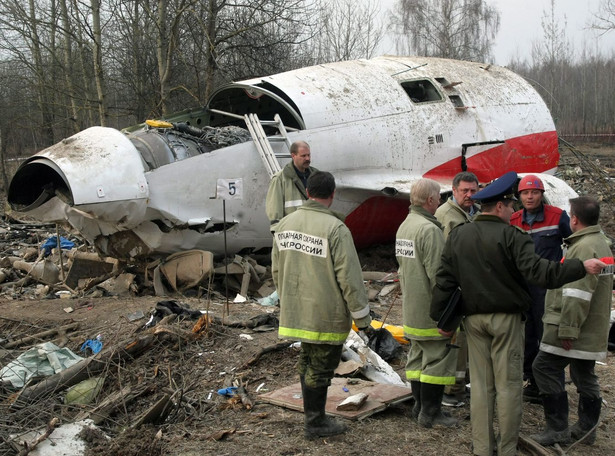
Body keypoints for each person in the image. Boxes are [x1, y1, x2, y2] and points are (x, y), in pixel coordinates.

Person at [430, 171, 605, 456]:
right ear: (499, 206)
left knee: (483, 387)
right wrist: (580, 267)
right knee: (509, 386)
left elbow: (445, 279)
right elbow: (541, 273)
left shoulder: (459, 235)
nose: (515, 209)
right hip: (506, 321)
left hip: (473, 321)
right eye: (511, 205)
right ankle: (508, 449)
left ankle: (483, 449)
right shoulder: (514, 236)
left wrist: (442, 320)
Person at [271, 171, 372, 440]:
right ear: (332, 194)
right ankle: (315, 423)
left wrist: (287, 299)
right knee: (320, 368)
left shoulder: (284, 225)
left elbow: (276, 271)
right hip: (325, 315)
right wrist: (363, 320)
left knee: (306, 361)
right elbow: (350, 279)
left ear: (307, 193)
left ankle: (313, 417)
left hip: (297, 312)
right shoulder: (336, 229)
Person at [531, 196, 613, 447]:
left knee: (543, 367)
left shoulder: (584, 247)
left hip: (575, 326)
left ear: (574, 219)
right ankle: (587, 430)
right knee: (583, 372)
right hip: (591, 326)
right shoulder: (601, 242)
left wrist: (567, 329)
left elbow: (577, 293)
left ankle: (558, 429)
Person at [396, 178, 457, 428]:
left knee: (417, 359)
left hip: (412, 309)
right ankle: (431, 415)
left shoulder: (405, 226)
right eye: (438, 197)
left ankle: (419, 408)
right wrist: (448, 312)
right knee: (436, 361)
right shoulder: (429, 230)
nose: (441, 201)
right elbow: (438, 277)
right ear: (430, 200)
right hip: (431, 311)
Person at [510, 174, 572, 403]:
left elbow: (574, 244)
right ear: (519, 196)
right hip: (523, 287)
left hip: (547, 288)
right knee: (526, 333)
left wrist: (563, 270)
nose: (529, 196)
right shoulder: (514, 220)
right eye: (525, 193)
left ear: (541, 194)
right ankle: (532, 379)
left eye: (534, 192)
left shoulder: (557, 217)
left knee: (547, 332)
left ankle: (548, 379)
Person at [435, 171, 480, 406]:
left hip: (474, 286)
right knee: (455, 339)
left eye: (473, 190)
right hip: (455, 288)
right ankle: (452, 390)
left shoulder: (476, 214)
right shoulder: (445, 216)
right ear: (454, 191)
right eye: (465, 191)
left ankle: (465, 383)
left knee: (471, 337)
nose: (470, 195)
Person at [265, 140, 318, 232]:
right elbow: (274, 210)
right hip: (293, 234)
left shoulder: (317, 176)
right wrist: (277, 232)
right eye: (303, 156)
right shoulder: (279, 179)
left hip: (314, 231)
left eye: (308, 155)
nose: (307, 158)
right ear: (293, 156)